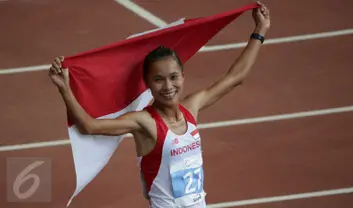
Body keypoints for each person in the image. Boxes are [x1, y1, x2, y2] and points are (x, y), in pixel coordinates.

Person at [49, 2, 270, 207]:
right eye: (158, 79)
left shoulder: (191, 108)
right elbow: (89, 126)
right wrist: (65, 89)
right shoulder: (145, 122)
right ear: (147, 84)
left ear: (183, 76)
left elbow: (236, 77)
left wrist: (259, 31)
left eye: (173, 77)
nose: (168, 86)